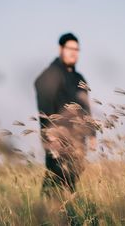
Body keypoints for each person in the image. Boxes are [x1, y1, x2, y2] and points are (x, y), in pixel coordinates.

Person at [34, 33, 96, 193]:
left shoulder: (78, 78)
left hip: (77, 140)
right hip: (57, 138)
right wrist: (50, 130)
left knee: (71, 179)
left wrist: (92, 133)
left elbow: (86, 107)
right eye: (70, 48)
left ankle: (60, 214)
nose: (74, 52)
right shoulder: (51, 73)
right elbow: (42, 96)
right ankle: (47, 214)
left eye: (77, 49)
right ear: (60, 49)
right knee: (57, 177)